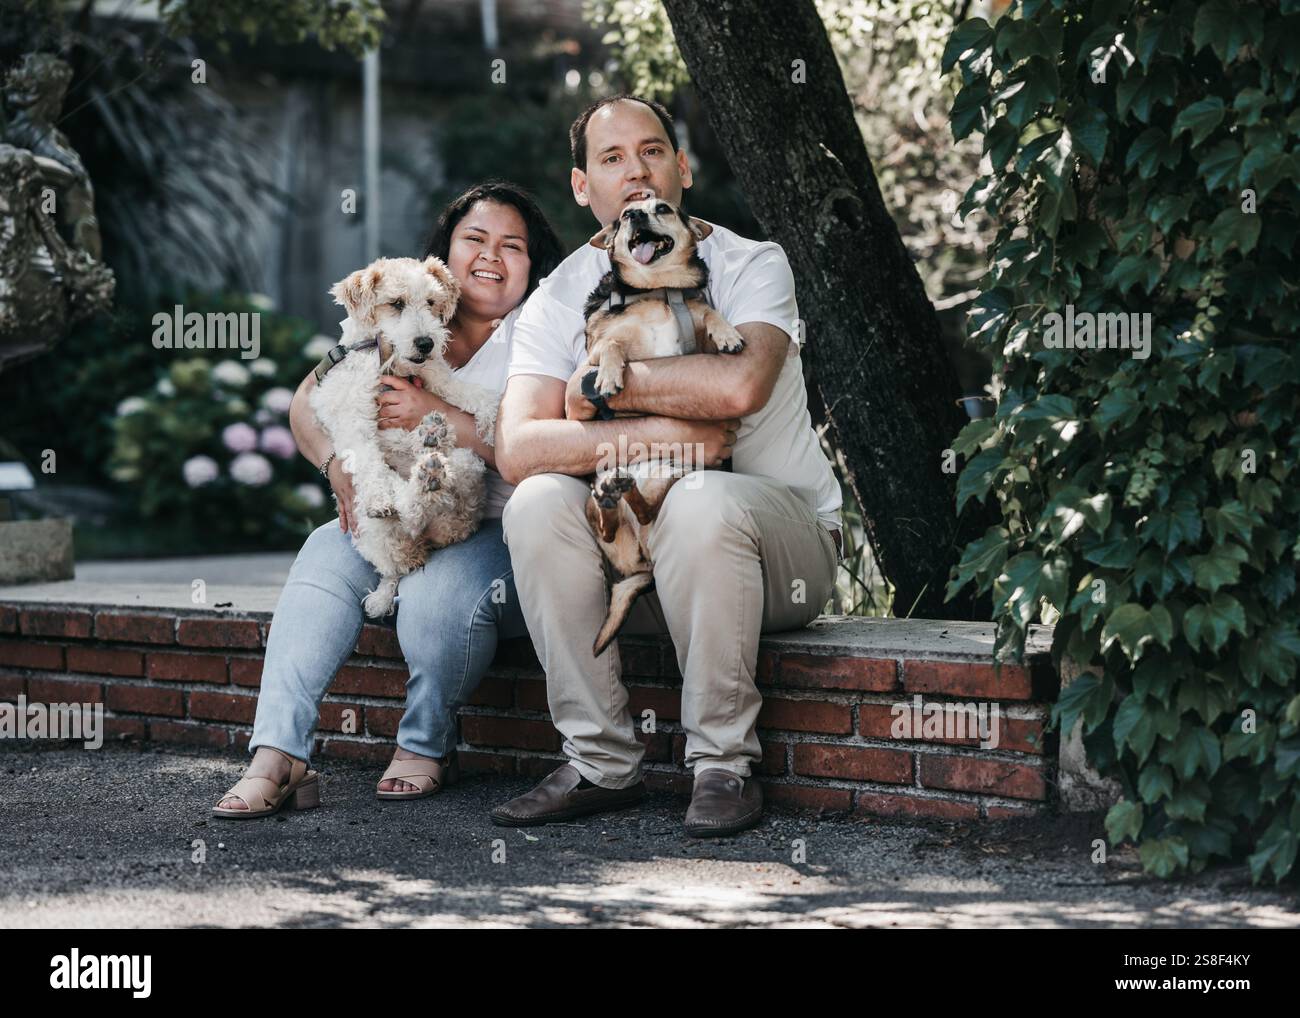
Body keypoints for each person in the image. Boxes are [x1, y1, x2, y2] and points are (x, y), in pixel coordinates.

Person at [490, 95, 842, 838]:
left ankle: (722, 765)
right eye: (612, 158)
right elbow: (519, 447)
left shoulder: (752, 263)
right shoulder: (558, 295)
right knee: (536, 501)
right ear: (583, 187)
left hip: (780, 548)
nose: (636, 172)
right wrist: (666, 433)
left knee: (703, 501)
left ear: (682, 167)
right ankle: (599, 763)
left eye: (652, 151)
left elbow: (739, 387)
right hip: (643, 563)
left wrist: (600, 388)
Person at [212, 181, 563, 817]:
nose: (491, 255)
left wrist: (437, 413)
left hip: (503, 529)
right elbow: (305, 402)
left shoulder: (543, 337)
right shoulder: (399, 315)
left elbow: (537, 448)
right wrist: (340, 470)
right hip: (392, 506)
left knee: (435, 597)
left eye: (512, 246)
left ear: (531, 268)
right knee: (322, 555)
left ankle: (426, 744)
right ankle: (279, 754)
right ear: (445, 257)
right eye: (474, 239)